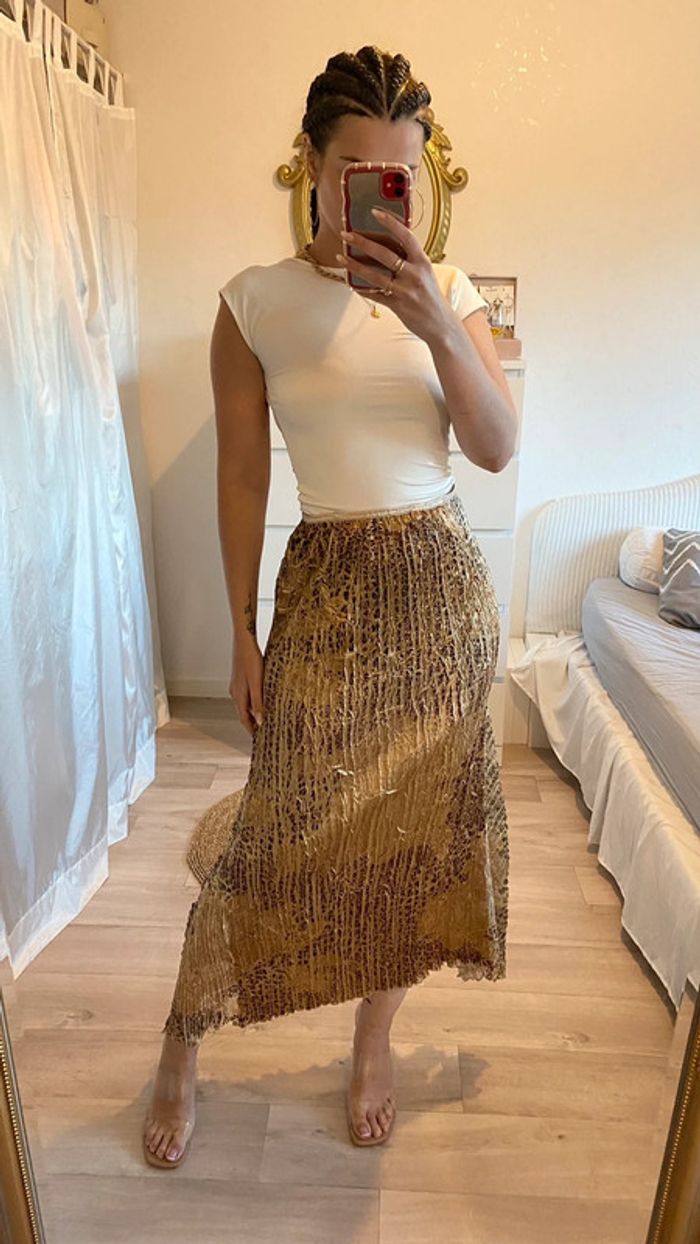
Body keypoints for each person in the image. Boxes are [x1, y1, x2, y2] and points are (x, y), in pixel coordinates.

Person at [143, 43, 516, 1169]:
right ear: (311, 165)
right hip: (325, 596)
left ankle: (373, 1038)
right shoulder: (252, 303)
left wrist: (434, 319)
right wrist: (239, 630)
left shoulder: (451, 293)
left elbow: (496, 447)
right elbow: (240, 477)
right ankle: (181, 1038)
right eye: (358, 171)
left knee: (414, 843)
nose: (380, 197)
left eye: (401, 178)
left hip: (441, 595)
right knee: (274, 832)